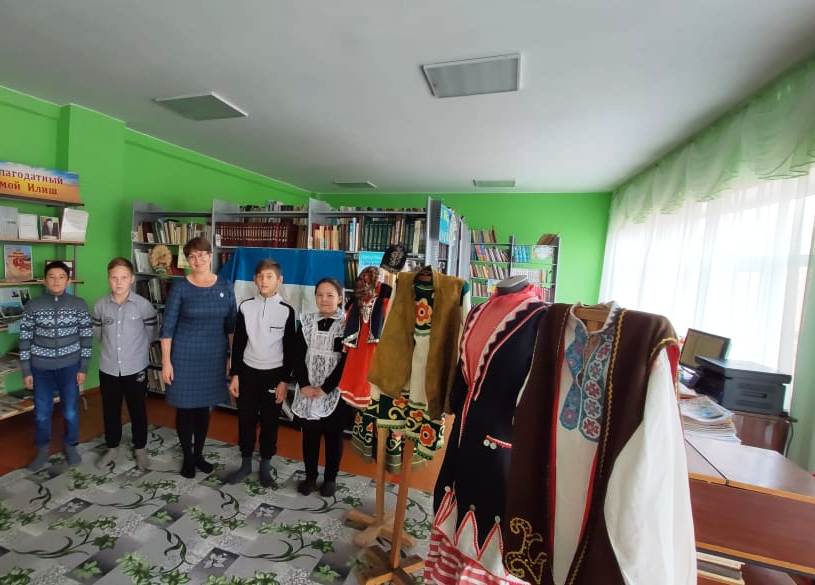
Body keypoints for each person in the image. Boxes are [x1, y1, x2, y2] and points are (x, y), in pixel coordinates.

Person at [160, 237, 236, 478]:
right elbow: (167, 328)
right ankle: (188, 457)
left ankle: (199, 454)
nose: (198, 260)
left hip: (213, 356)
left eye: (202, 254)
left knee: (204, 408)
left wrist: (232, 358)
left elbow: (231, 328)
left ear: (210, 256)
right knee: (185, 408)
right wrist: (166, 362)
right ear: (187, 260)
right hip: (184, 356)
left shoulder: (225, 286)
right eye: (192, 256)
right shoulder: (180, 288)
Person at [227, 259, 296, 487]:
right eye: (260, 276)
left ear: (279, 280)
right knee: (245, 420)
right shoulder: (245, 307)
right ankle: (246, 463)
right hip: (247, 373)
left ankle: (265, 465)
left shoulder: (286, 311)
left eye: (269, 276)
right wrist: (235, 375)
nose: (264, 281)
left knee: (269, 422)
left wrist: (284, 381)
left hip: (273, 375)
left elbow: (289, 350)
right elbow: (238, 344)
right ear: (254, 280)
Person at [20, 260, 93, 471]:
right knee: (42, 412)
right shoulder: (33, 306)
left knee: (70, 411)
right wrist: (26, 370)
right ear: (44, 280)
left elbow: (86, 338)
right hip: (41, 369)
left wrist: (83, 367)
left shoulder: (78, 304)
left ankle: (70, 445)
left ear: (68, 280)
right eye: (51, 277)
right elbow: (25, 339)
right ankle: (42, 450)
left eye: (61, 277)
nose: (56, 281)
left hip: (70, 367)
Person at [92, 257, 159, 470]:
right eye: (114, 278)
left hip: (135, 367)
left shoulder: (143, 305)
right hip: (108, 367)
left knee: (137, 409)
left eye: (123, 277)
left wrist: (135, 352)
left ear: (132, 279)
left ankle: (140, 448)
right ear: (108, 279)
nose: (119, 282)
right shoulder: (100, 306)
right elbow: (99, 334)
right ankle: (112, 447)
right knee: (110, 410)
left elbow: (151, 334)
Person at [291, 277, 348, 497]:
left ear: (340, 298)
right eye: (320, 295)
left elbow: (346, 361)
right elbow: (297, 355)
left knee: (333, 437)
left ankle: (330, 478)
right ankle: (310, 476)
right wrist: (304, 384)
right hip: (308, 389)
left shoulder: (347, 324)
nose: (324, 299)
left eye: (330, 295)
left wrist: (326, 388)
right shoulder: (306, 322)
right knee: (310, 436)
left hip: (334, 391)